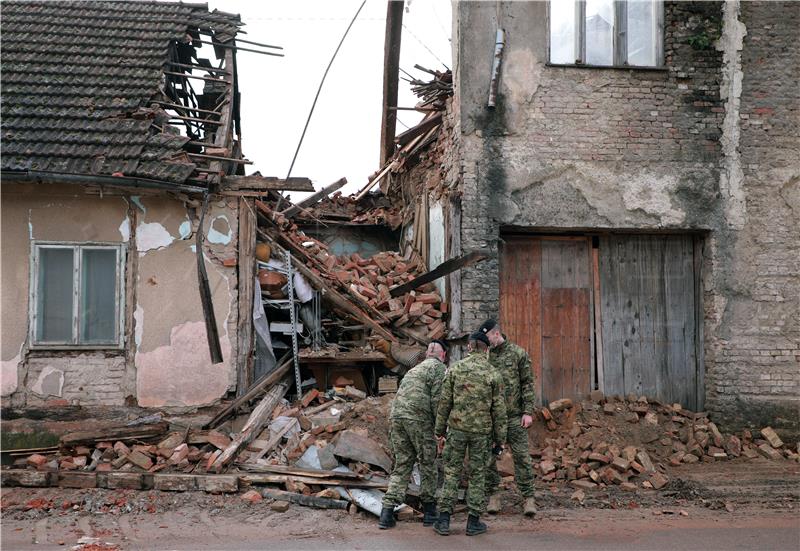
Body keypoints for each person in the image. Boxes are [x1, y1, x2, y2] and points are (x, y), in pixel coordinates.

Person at [432, 332, 507, 536]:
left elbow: (444, 403)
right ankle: (473, 522)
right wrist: (500, 440)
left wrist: (439, 431)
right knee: (477, 475)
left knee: (452, 473)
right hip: (482, 434)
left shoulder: (455, 369)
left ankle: (444, 521)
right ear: (487, 349)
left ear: (470, 348)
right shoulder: (493, 374)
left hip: (457, 430)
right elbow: (499, 411)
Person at [378, 339, 449, 530]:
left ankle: (386, 513)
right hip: (419, 420)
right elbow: (437, 401)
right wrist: (441, 431)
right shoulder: (439, 369)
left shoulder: (413, 370)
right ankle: (429, 512)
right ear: (444, 355)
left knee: (402, 464)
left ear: (427, 354)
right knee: (428, 464)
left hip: (397, 418)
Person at [479, 318, 538, 516]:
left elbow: (528, 383)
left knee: (521, 457)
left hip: (514, 416)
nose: (486, 342)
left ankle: (528, 498)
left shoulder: (518, 354)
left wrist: (528, 412)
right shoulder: (485, 357)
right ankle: (494, 495)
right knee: (488, 458)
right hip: (491, 418)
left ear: (496, 333)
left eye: (488, 337)